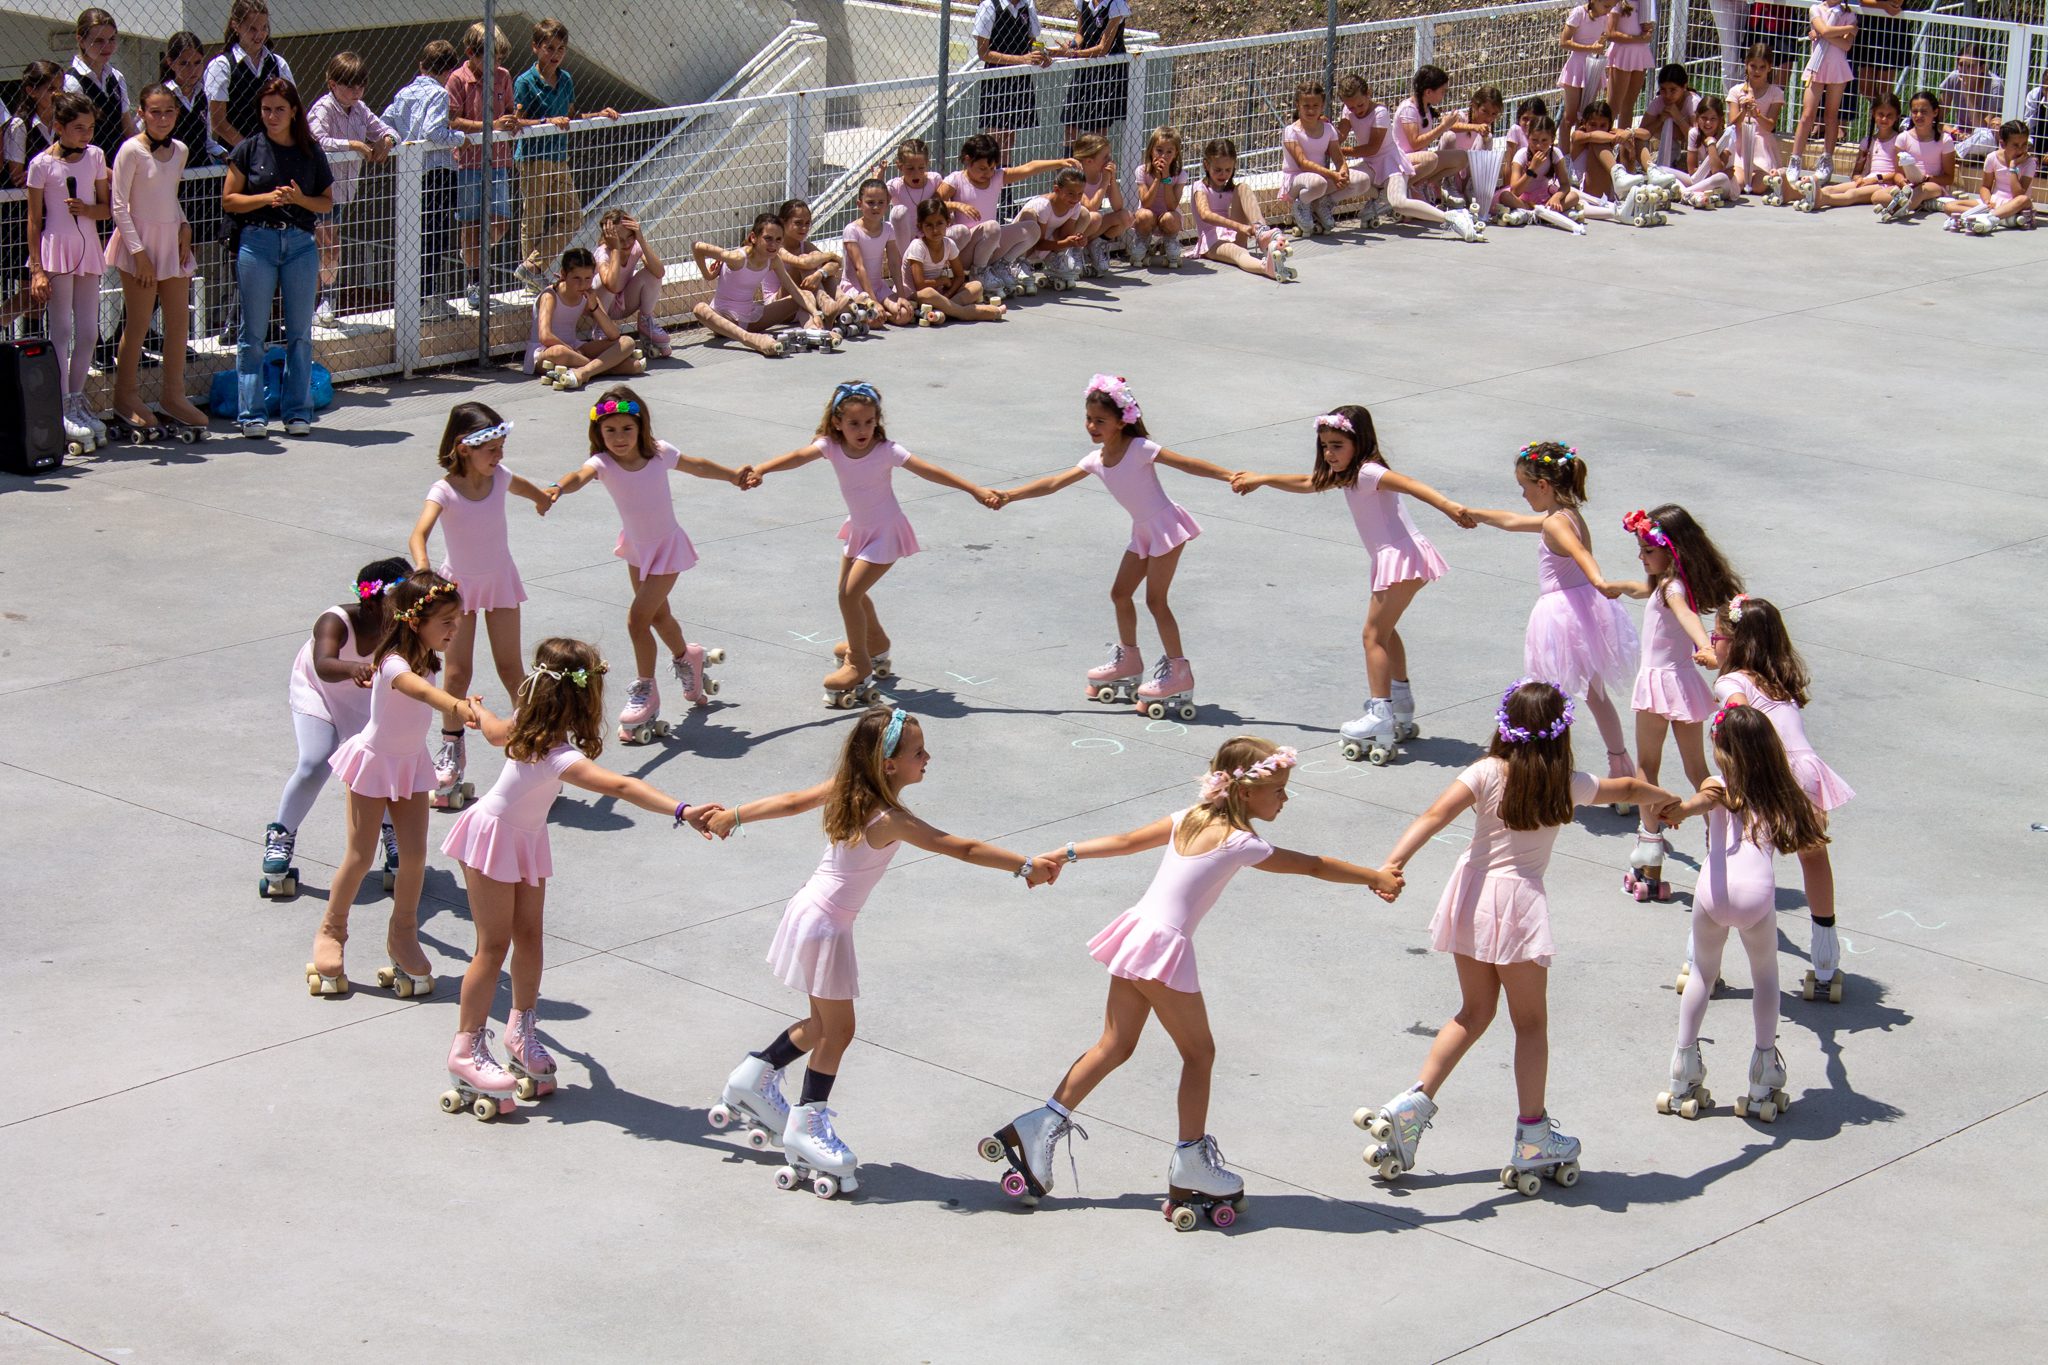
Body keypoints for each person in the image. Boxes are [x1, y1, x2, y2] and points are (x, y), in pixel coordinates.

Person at [985, 739, 1401, 1222]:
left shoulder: (1190, 817)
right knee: (1199, 1054)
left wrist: (1064, 851)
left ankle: (1040, 1126)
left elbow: (1124, 841)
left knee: (1115, 1044)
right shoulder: (1241, 842)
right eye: (1278, 790)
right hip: (1161, 947)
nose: (1285, 799)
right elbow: (1312, 865)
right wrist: (1375, 876)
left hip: (1137, 932)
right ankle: (1190, 1163)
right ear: (1245, 793)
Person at [706, 706, 1056, 1197]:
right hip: (825, 925)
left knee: (824, 1025)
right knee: (840, 1030)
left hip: (812, 913)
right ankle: (807, 1127)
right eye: (918, 752)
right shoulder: (889, 818)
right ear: (889, 764)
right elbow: (962, 848)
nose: (927, 757)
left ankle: (756, 1075)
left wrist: (732, 816)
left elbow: (788, 802)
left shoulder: (850, 788)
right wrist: (1025, 866)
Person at [1359, 681, 1676, 1196]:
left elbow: (1434, 816)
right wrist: (1668, 803)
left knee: (1472, 1013)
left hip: (1471, 895)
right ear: (1561, 733)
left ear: (1504, 725)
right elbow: (1631, 790)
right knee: (1529, 1025)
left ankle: (1411, 1105)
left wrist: (1392, 864)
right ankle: (1533, 1137)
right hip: (1517, 906)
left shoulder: (1485, 772)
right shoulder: (1566, 783)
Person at [439, 638, 721, 1119]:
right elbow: (622, 785)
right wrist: (683, 809)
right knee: (493, 947)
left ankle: (520, 1030)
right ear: (581, 699)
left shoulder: (523, 731)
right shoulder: (554, 754)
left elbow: (488, 728)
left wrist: (473, 709)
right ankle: (466, 1049)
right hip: (491, 838)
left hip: (524, 839)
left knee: (529, 936)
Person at [1232, 406, 1471, 762]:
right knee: (1385, 632)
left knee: (1372, 635)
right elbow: (1305, 482)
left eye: (1337, 445)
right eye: (1325, 445)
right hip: (1402, 556)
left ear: (1359, 442)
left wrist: (1449, 506)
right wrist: (1262, 478)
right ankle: (1400, 703)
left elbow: (1411, 485)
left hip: (1399, 557)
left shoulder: (1371, 472)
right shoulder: (1346, 474)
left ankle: (1381, 714)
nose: (1329, 453)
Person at [995, 375, 1241, 719]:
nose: (1092, 426)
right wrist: (1009, 495)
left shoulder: (1139, 449)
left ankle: (1180, 672)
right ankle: (1129, 659)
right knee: (1120, 593)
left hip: (1165, 527)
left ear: (1121, 421)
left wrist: (1228, 475)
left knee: (1156, 601)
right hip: (1143, 530)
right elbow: (1052, 483)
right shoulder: (1096, 459)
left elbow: (1184, 463)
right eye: (1089, 419)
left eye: (1100, 421)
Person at [748, 382, 1002, 707]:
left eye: (869, 422)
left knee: (848, 595)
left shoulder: (885, 451)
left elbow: (930, 471)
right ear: (837, 422)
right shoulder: (831, 446)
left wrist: (974, 489)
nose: (863, 429)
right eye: (854, 423)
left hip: (885, 533)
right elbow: (797, 457)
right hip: (859, 530)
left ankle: (859, 664)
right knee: (851, 592)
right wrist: (762, 469)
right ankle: (875, 642)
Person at [307, 571, 482, 1000]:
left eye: (456, 620)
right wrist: (459, 707)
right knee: (361, 854)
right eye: (446, 622)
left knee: (415, 857)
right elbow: (420, 693)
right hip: (374, 764)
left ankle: (403, 933)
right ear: (415, 622)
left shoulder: (426, 655)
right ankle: (333, 929)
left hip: (408, 764)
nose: (454, 629)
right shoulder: (395, 664)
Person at [545, 387, 755, 739]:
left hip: (667, 548)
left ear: (641, 426)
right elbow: (577, 476)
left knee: (637, 620)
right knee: (658, 616)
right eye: (610, 431)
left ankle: (646, 690)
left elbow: (696, 465)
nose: (619, 438)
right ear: (598, 433)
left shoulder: (658, 453)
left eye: (627, 428)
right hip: (637, 549)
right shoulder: (603, 464)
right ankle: (688, 656)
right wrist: (556, 488)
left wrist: (733, 475)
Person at [1654, 703, 1828, 1124]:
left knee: (1701, 974)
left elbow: (1700, 801)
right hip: (1755, 896)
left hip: (1712, 894)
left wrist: (1677, 812)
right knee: (1765, 976)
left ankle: (1683, 1066)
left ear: (1720, 747)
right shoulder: (1777, 788)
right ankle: (1763, 1069)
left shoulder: (1716, 785)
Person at [1465, 442, 1642, 800]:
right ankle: (1620, 765)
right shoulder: (1566, 515)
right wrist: (1472, 513)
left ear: (1543, 484)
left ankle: (1535, 770)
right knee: (1594, 694)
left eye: (1525, 487)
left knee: (1542, 695)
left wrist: (1601, 581)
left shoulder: (1558, 525)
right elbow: (1512, 520)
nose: (1523, 494)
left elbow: (1579, 554)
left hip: (1561, 617)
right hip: (1582, 612)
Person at [407, 402, 555, 807]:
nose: (499, 456)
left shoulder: (500, 476)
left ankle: (534, 748)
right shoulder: (445, 490)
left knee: (512, 669)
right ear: (463, 447)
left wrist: (543, 498)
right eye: (491, 449)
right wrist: (423, 570)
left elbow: (523, 488)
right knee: (457, 674)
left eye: (502, 447)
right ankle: (452, 750)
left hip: (500, 579)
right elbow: (419, 533)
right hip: (458, 590)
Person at [1707, 595, 1854, 1002]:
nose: (1711, 640)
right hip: (1807, 769)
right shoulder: (1776, 677)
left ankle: (1706, 958)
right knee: (1813, 853)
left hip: (1769, 771)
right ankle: (1825, 955)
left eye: (1715, 635)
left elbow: (1736, 707)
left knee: (1734, 856)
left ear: (1733, 643)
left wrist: (1730, 720)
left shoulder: (1730, 682)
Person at [1608, 505, 1744, 901]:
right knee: (1696, 767)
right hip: (1681, 682)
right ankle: (1719, 834)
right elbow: (1649, 592)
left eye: (1647, 550)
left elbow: (1684, 615)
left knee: (1646, 767)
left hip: (1658, 683)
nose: (1641, 556)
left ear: (1672, 550)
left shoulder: (1672, 588)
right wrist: (1619, 586)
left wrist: (1706, 646)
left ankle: (1650, 843)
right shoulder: (1671, 582)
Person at [261, 558, 413, 901]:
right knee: (315, 761)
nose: (406, 609)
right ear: (373, 600)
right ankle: (280, 837)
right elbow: (324, 665)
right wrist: (354, 667)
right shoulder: (335, 620)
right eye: (399, 600)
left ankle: (391, 834)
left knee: (381, 762)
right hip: (318, 690)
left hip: (366, 694)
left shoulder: (403, 626)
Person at [220, 76, 332, 440]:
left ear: (294, 111)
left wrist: (298, 199)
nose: (272, 116)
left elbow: (326, 201)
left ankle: (298, 411)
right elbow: (230, 199)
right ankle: (251, 414)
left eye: (279, 110)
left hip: (300, 244)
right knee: (252, 333)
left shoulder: (310, 151)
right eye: (266, 109)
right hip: (257, 243)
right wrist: (268, 198)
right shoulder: (249, 149)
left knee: (299, 332)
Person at [105, 84, 205, 442]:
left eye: (169, 112)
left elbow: (170, 196)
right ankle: (125, 396)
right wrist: (138, 254)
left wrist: (184, 225)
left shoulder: (179, 150)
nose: (163, 119)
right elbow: (119, 206)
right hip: (138, 245)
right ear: (142, 114)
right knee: (139, 322)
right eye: (155, 112)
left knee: (179, 321)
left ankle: (173, 396)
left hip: (170, 242)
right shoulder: (130, 151)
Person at [26, 90, 110, 451]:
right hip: (56, 249)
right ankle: (60, 404)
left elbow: (107, 207)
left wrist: (88, 210)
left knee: (89, 331)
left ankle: (76, 398)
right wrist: (37, 270)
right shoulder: (42, 164)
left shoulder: (95, 157)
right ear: (58, 127)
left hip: (87, 246)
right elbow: (33, 220)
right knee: (61, 329)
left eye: (90, 128)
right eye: (78, 128)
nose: (86, 135)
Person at [512, 19, 619, 292]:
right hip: (534, 158)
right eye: (550, 48)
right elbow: (516, 122)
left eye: (561, 48)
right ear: (536, 48)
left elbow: (571, 116)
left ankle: (532, 267)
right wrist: (547, 121)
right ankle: (531, 280)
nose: (555, 54)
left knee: (572, 215)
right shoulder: (526, 82)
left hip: (559, 156)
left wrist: (598, 115)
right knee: (534, 219)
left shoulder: (567, 79)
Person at [307, 52, 396, 327]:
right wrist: (353, 145)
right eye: (349, 85)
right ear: (332, 84)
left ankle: (325, 302)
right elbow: (318, 140)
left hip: (344, 193)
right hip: (318, 191)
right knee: (325, 245)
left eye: (361, 85)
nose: (356, 91)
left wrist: (387, 140)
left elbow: (386, 129)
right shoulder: (323, 108)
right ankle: (320, 303)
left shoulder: (360, 108)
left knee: (329, 247)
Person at [447, 22, 527, 313]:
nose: (496, 65)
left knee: (500, 220)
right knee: (471, 223)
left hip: (499, 160)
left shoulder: (502, 77)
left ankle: (473, 256)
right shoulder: (457, 79)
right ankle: (474, 279)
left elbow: (507, 111)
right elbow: (452, 121)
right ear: (471, 53)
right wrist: (490, 126)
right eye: (489, 58)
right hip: (469, 162)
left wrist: (512, 121)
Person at [381, 40, 464, 318]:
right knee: (435, 236)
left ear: (421, 66)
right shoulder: (440, 95)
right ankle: (427, 298)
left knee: (412, 236)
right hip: (437, 173)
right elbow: (434, 132)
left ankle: (411, 298)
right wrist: (459, 138)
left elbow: (386, 122)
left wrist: (399, 139)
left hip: (410, 172)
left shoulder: (404, 93)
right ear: (448, 72)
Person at [690, 211, 816, 355]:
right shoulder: (737, 258)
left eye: (778, 239)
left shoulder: (773, 260)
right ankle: (750, 340)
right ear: (753, 238)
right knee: (700, 309)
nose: (773, 245)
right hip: (725, 320)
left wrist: (815, 314)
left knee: (805, 295)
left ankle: (814, 331)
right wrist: (708, 275)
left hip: (751, 319)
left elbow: (793, 290)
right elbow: (697, 247)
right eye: (768, 238)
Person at [972, 0, 1053, 211]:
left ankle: (1005, 200)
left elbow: (1032, 41)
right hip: (997, 80)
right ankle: (990, 200)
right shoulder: (990, 6)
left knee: (1009, 140)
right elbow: (984, 52)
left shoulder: (1028, 6)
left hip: (1019, 80)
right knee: (994, 141)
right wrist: (1021, 59)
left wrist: (1041, 56)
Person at [1, 61, 62, 339]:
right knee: (29, 288)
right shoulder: (20, 125)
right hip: (21, 214)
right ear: (31, 90)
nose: (57, 95)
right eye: (50, 89)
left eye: (60, 89)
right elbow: (16, 174)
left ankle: (33, 340)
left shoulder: (62, 122)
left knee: (41, 290)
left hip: (53, 211)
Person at [525, 245, 641, 388]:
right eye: (576, 278)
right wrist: (571, 351)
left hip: (576, 349)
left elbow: (614, 334)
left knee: (627, 342)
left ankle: (584, 372)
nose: (583, 284)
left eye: (588, 278)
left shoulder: (588, 295)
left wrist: (594, 306)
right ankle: (603, 367)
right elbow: (545, 336)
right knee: (559, 352)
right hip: (546, 351)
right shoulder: (550, 296)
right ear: (563, 274)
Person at [1184, 137, 1293, 282]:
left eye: (1228, 170)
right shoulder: (1200, 187)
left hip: (1232, 234)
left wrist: (1247, 227)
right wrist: (1240, 227)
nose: (1223, 174)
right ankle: (1266, 268)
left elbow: (1242, 204)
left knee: (1243, 188)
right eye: (1218, 170)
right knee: (1239, 252)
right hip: (1211, 242)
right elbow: (1205, 214)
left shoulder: (1230, 189)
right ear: (1206, 165)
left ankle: (1262, 232)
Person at [902, 196, 1007, 323]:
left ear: (948, 222)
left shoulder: (949, 244)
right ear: (920, 226)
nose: (935, 230)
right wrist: (942, 280)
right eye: (929, 225)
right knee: (929, 292)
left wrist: (948, 295)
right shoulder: (917, 246)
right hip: (915, 295)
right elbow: (920, 285)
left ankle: (943, 310)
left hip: (939, 294)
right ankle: (963, 313)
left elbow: (959, 276)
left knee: (976, 286)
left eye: (940, 223)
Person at [204, 0, 289, 155]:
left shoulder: (278, 64)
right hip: (239, 157)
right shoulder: (222, 65)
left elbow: (291, 108)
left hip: (275, 153)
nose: (260, 35)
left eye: (264, 28)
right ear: (236, 26)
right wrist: (251, 150)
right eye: (252, 29)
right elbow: (218, 122)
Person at [593, 209, 670, 356]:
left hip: (624, 303)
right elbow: (612, 286)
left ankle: (646, 322)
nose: (627, 243)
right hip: (602, 309)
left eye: (630, 236)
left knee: (652, 273)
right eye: (620, 240)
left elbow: (659, 272)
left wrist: (640, 239)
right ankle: (601, 328)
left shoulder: (635, 246)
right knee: (604, 280)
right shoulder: (603, 252)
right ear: (610, 238)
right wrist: (615, 248)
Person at [1055, 0, 1131, 147]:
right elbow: (1080, 34)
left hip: (1107, 72)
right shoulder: (1084, 2)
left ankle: (1096, 168)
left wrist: (1074, 54)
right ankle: (1070, 168)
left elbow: (1103, 48)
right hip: (1085, 67)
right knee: (1071, 123)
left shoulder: (1116, 4)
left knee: (1098, 129)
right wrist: (1073, 46)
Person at [1941, 120, 2037, 233]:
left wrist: (2013, 167)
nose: (2021, 149)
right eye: (2015, 145)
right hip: (1995, 202)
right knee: (1949, 206)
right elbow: (1985, 186)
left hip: (2015, 204)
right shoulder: (1992, 158)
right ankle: (2000, 218)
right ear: (2002, 144)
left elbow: (2018, 194)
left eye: (2024, 145)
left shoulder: (2029, 163)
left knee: (2024, 199)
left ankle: (1984, 217)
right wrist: (1987, 201)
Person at [1279, 80, 1346, 237]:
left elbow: (1338, 156)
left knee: (1360, 180)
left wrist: (1343, 171)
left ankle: (1320, 204)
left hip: (1319, 178)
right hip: (1296, 179)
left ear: (1322, 106)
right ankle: (1301, 205)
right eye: (1306, 106)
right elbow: (1302, 163)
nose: (1311, 110)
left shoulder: (1328, 129)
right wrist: (1332, 175)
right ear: (1298, 105)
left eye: (1315, 106)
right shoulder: (1291, 131)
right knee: (1319, 182)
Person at [1939, 46, 2006, 159]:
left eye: (1971, 66)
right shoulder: (1953, 78)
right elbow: (1938, 118)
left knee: (1985, 137)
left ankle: (1953, 154)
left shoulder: (1995, 85)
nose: (1964, 71)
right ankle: (1958, 153)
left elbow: (1982, 127)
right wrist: (1954, 132)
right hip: (1958, 134)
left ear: (1982, 68)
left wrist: (1966, 93)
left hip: (1981, 138)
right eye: (1961, 65)